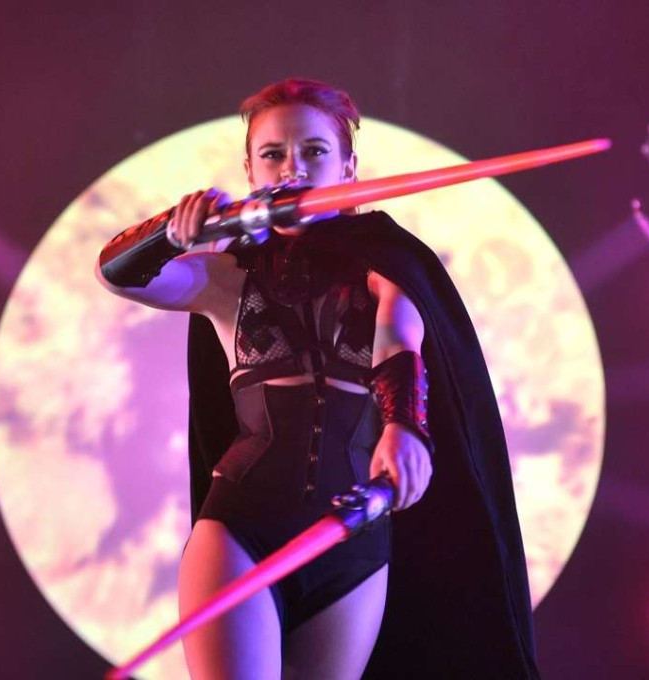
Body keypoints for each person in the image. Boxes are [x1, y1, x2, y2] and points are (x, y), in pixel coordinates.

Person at [97, 78, 539, 679]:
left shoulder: (391, 263)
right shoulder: (225, 275)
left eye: (314, 152)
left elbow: (398, 342)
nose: (292, 168)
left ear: (349, 166)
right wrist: (172, 231)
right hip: (242, 529)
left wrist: (404, 427)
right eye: (273, 154)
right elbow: (120, 276)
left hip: (353, 545)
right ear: (250, 170)